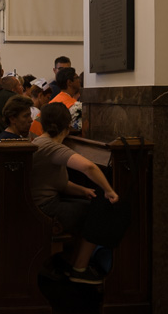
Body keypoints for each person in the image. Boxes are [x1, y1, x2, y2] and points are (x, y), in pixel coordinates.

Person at [31, 103, 118, 284]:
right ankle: (80, 268)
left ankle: (72, 260)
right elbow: (88, 166)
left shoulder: (39, 141)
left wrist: (83, 190)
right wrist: (109, 190)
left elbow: (58, 183)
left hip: (42, 204)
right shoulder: (52, 147)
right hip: (47, 210)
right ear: (68, 125)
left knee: (94, 201)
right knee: (102, 210)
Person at [49, 67, 82, 131]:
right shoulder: (74, 106)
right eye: (77, 78)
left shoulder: (54, 101)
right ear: (69, 82)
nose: (79, 80)